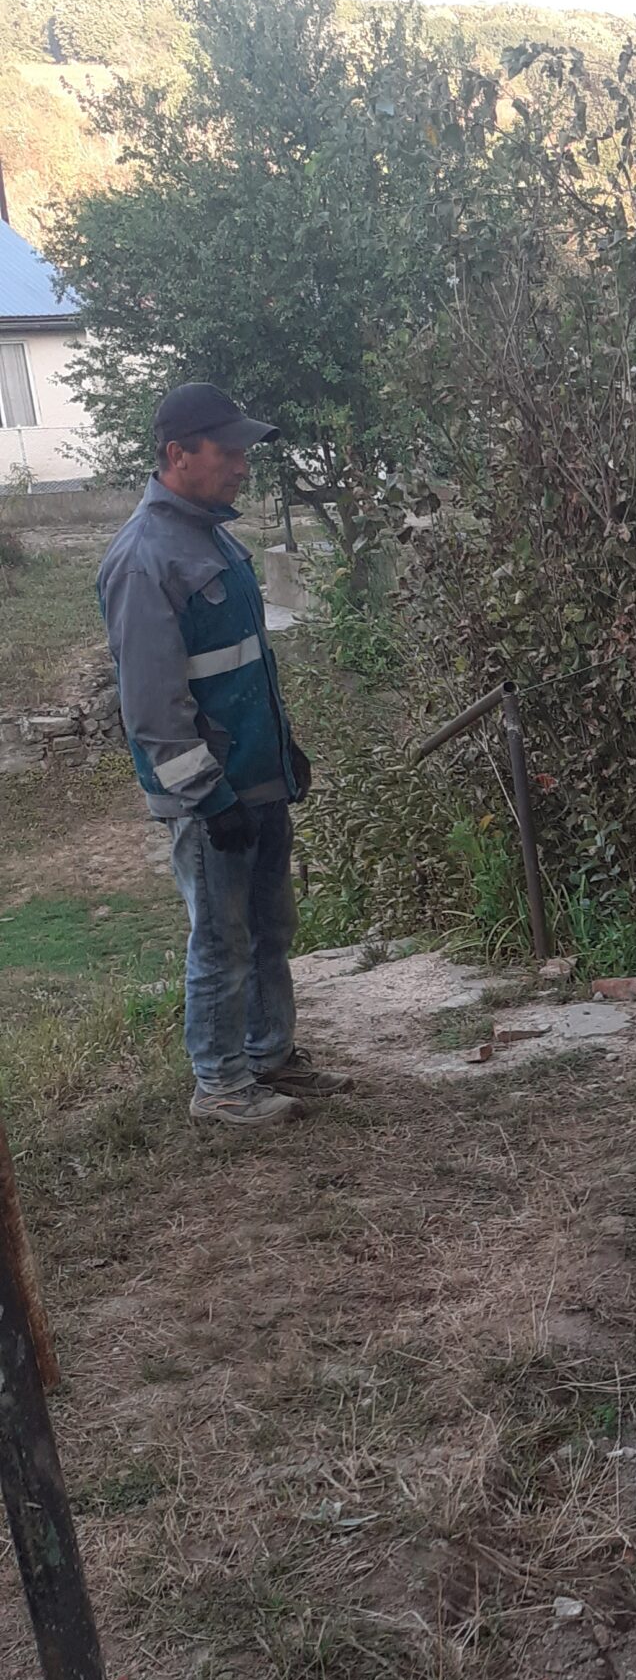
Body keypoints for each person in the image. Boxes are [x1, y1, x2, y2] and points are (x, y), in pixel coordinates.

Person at [97, 384, 345, 1131]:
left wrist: (284, 745)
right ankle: (222, 1085)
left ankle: (269, 1056)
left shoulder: (214, 539)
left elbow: (244, 665)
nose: (242, 466)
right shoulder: (144, 559)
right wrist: (209, 798)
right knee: (221, 939)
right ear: (179, 454)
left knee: (271, 930)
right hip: (212, 798)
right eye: (228, 451)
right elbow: (153, 709)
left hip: (258, 778)